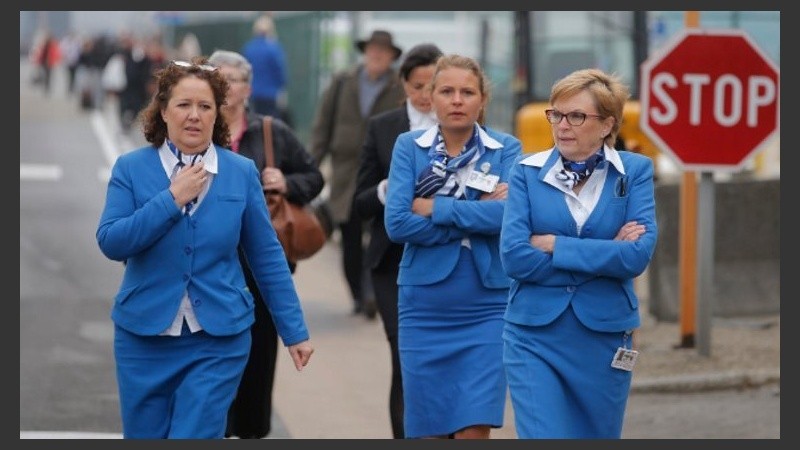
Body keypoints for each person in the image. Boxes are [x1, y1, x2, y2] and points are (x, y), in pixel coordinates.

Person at [95, 57, 314, 439]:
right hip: (143, 338)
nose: (194, 115)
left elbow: (266, 256)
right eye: (183, 105)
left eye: (205, 106)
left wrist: (293, 330)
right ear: (163, 111)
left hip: (219, 338)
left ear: (218, 114)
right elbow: (113, 241)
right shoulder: (131, 168)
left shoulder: (241, 171)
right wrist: (171, 199)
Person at [499, 68, 658, 439]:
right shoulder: (525, 171)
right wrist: (606, 255)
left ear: (606, 124)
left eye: (576, 116)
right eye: (556, 114)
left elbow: (636, 258)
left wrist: (556, 245)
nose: (562, 125)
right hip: (533, 333)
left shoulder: (633, 171)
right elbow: (515, 258)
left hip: (604, 334)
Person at [384, 54, 521, 439]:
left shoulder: (506, 149)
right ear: (431, 97)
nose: (457, 100)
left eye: (467, 92)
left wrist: (436, 208)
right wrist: (474, 215)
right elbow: (396, 223)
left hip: (488, 307)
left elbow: (508, 219)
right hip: (424, 306)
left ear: (482, 99)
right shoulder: (409, 146)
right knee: (427, 427)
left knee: (474, 426)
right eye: (447, 91)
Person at [207, 50, 324, 440]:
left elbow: (314, 178)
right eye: (217, 78)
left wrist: (286, 183)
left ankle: (252, 431)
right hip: (212, 263)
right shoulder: (196, 129)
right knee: (210, 359)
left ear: (248, 89)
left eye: (233, 80)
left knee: (257, 358)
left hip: (260, 264)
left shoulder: (271, 131)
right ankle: (215, 428)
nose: (225, 88)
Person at [353, 43, 443, 439]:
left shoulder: (461, 125)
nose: (426, 95)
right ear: (403, 84)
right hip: (392, 262)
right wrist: (392, 188)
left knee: (442, 361)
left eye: (434, 85)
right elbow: (359, 202)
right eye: (418, 85)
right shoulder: (383, 126)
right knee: (406, 357)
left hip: (446, 258)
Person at [310, 29, 405, 318]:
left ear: (391, 56)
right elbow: (322, 126)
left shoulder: (398, 86)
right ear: (365, 52)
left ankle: (372, 292)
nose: (376, 54)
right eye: (372, 49)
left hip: (383, 172)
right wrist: (311, 168)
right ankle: (358, 293)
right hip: (346, 173)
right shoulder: (342, 82)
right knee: (349, 237)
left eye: (383, 50)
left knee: (378, 234)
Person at [242, 15, 287, 118]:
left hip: (252, 93)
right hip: (270, 95)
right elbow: (280, 72)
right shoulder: (274, 49)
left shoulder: (248, 48)